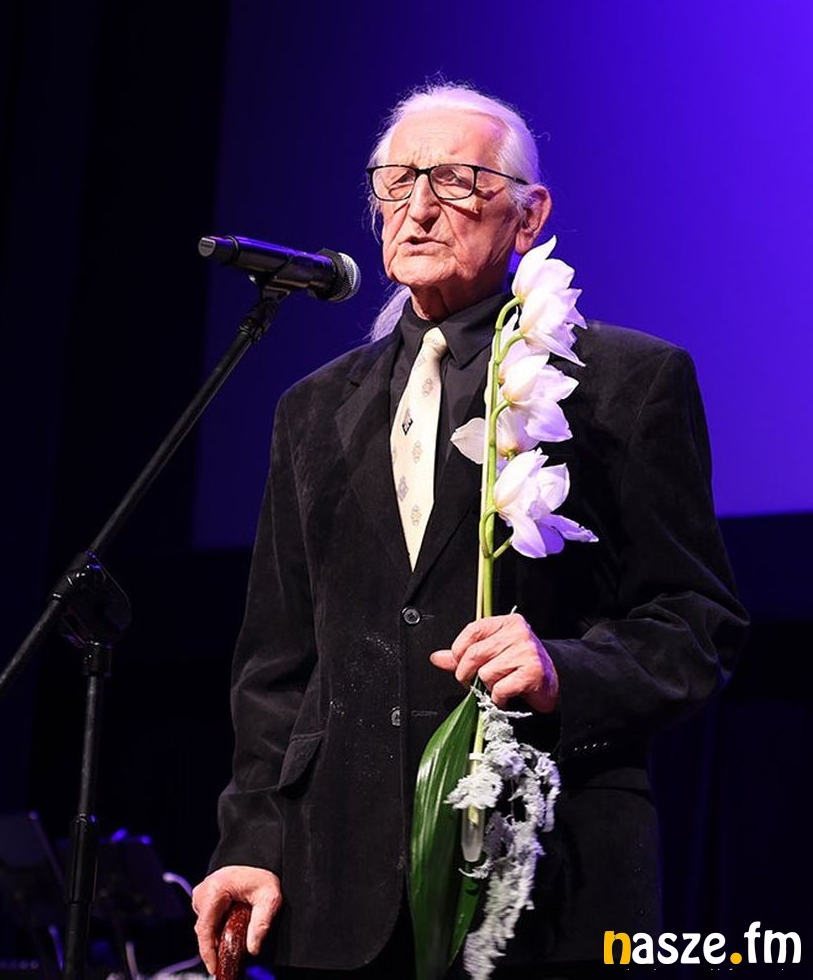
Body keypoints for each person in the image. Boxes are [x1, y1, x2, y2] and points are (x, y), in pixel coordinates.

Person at [192, 85, 748, 977]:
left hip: (544, 880)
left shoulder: (624, 383)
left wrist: (565, 668)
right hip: (337, 891)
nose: (417, 208)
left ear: (528, 215)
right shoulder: (313, 410)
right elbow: (277, 662)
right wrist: (251, 841)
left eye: (453, 180)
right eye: (395, 181)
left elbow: (694, 624)